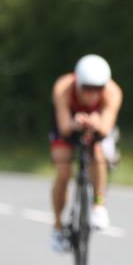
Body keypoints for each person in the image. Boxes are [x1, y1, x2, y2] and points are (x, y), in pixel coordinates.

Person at [50, 54, 123, 252]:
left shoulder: (113, 92)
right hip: (67, 122)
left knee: (98, 155)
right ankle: (57, 226)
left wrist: (95, 123)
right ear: (78, 82)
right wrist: (75, 123)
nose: (92, 94)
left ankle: (99, 205)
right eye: (87, 88)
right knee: (63, 172)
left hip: (96, 124)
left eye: (98, 89)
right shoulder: (63, 88)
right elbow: (64, 127)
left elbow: (106, 128)